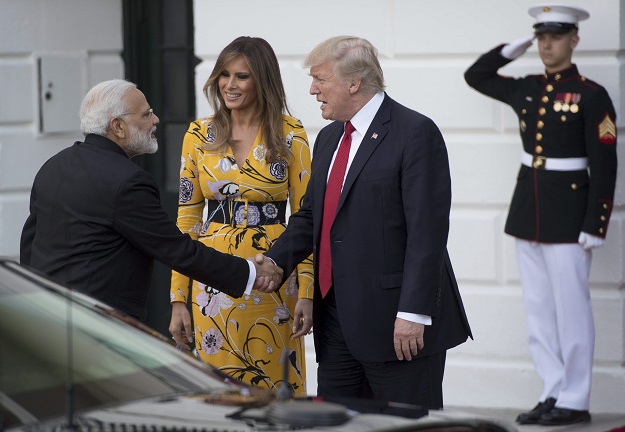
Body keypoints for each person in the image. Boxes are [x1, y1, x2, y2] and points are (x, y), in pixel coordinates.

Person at [256, 35, 472, 409]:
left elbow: (427, 232)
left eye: (320, 79)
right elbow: (312, 216)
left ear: (354, 82)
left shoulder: (415, 133)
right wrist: (276, 261)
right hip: (337, 322)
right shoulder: (327, 139)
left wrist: (412, 313)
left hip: (397, 325)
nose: (312, 89)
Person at [464, 4, 617, 427]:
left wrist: (595, 222)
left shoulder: (591, 94)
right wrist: (511, 51)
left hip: (570, 216)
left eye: (556, 36)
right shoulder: (528, 88)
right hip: (528, 210)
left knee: (572, 310)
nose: (547, 44)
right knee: (538, 309)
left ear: (574, 40)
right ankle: (552, 389)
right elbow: (476, 76)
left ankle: (575, 397)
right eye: (541, 36)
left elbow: (605, 164)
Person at [20, 79, 281, 322]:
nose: (155, 119)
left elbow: (30, 244)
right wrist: (250, 273)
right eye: (145, 114)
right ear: (118, 126)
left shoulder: (53, 166)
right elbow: (176, 250)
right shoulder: (128, 181)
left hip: (47, 319)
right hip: (99, 324)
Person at [168, 36, 314, 396]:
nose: (230, 85)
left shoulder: (290, 133)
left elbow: (308, 219)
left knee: (277, 391)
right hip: (212, 280)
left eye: (242, 76)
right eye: (224, 75)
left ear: (262, 80)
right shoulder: (199, 134)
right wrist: (178, 300)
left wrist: (308, 293)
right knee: (219, 393)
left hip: (276, 277)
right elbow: (186, 221)